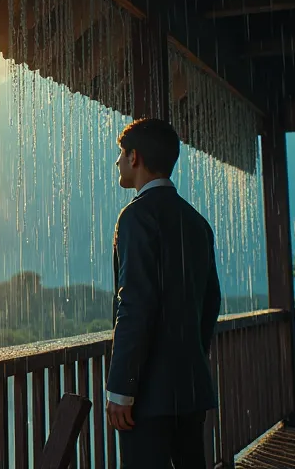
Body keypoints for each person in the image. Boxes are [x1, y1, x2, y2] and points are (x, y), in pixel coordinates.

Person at [105, 118, 222, 469]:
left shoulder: (136, 217)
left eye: (120, 154)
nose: (118, 163)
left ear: (135, 157)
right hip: (190, 388)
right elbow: (210, 301)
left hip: (148, 394)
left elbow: (135, 305)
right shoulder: (196, 221)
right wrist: (190, 357)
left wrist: (121, 389)